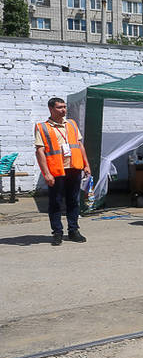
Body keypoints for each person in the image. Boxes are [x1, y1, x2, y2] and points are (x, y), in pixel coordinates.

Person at [35, 97, 91, 246]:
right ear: (51, 109)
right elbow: (40, 151)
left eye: (64, 107)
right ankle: (57, 233)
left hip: (74, 168)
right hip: (56, 170)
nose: (64, 110)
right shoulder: (42, 127)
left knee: (73, 201)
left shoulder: (71, 124)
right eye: (60, 107)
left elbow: (79, 145)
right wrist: (46, 173)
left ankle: (73, 230)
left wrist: (86, 164)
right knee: (55, 202)